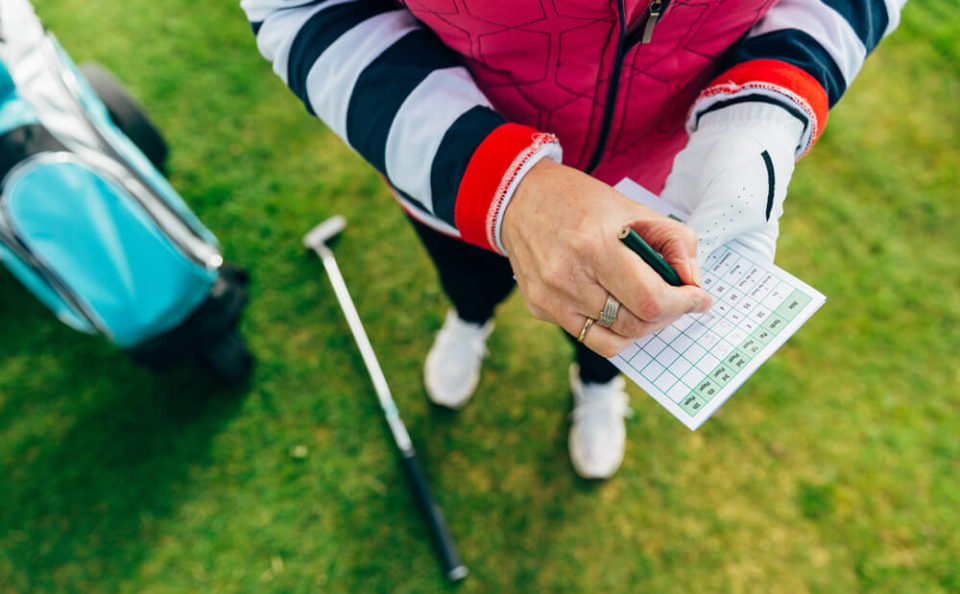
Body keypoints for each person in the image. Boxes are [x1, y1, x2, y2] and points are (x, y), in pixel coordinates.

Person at [241, 0, 906, 478]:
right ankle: (470, 319)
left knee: (622, 323)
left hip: (663, 178)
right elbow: (303, 9)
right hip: (457, 170)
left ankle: (596, 383)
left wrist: (765, 105)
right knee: (468, 280)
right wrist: (506, 185)